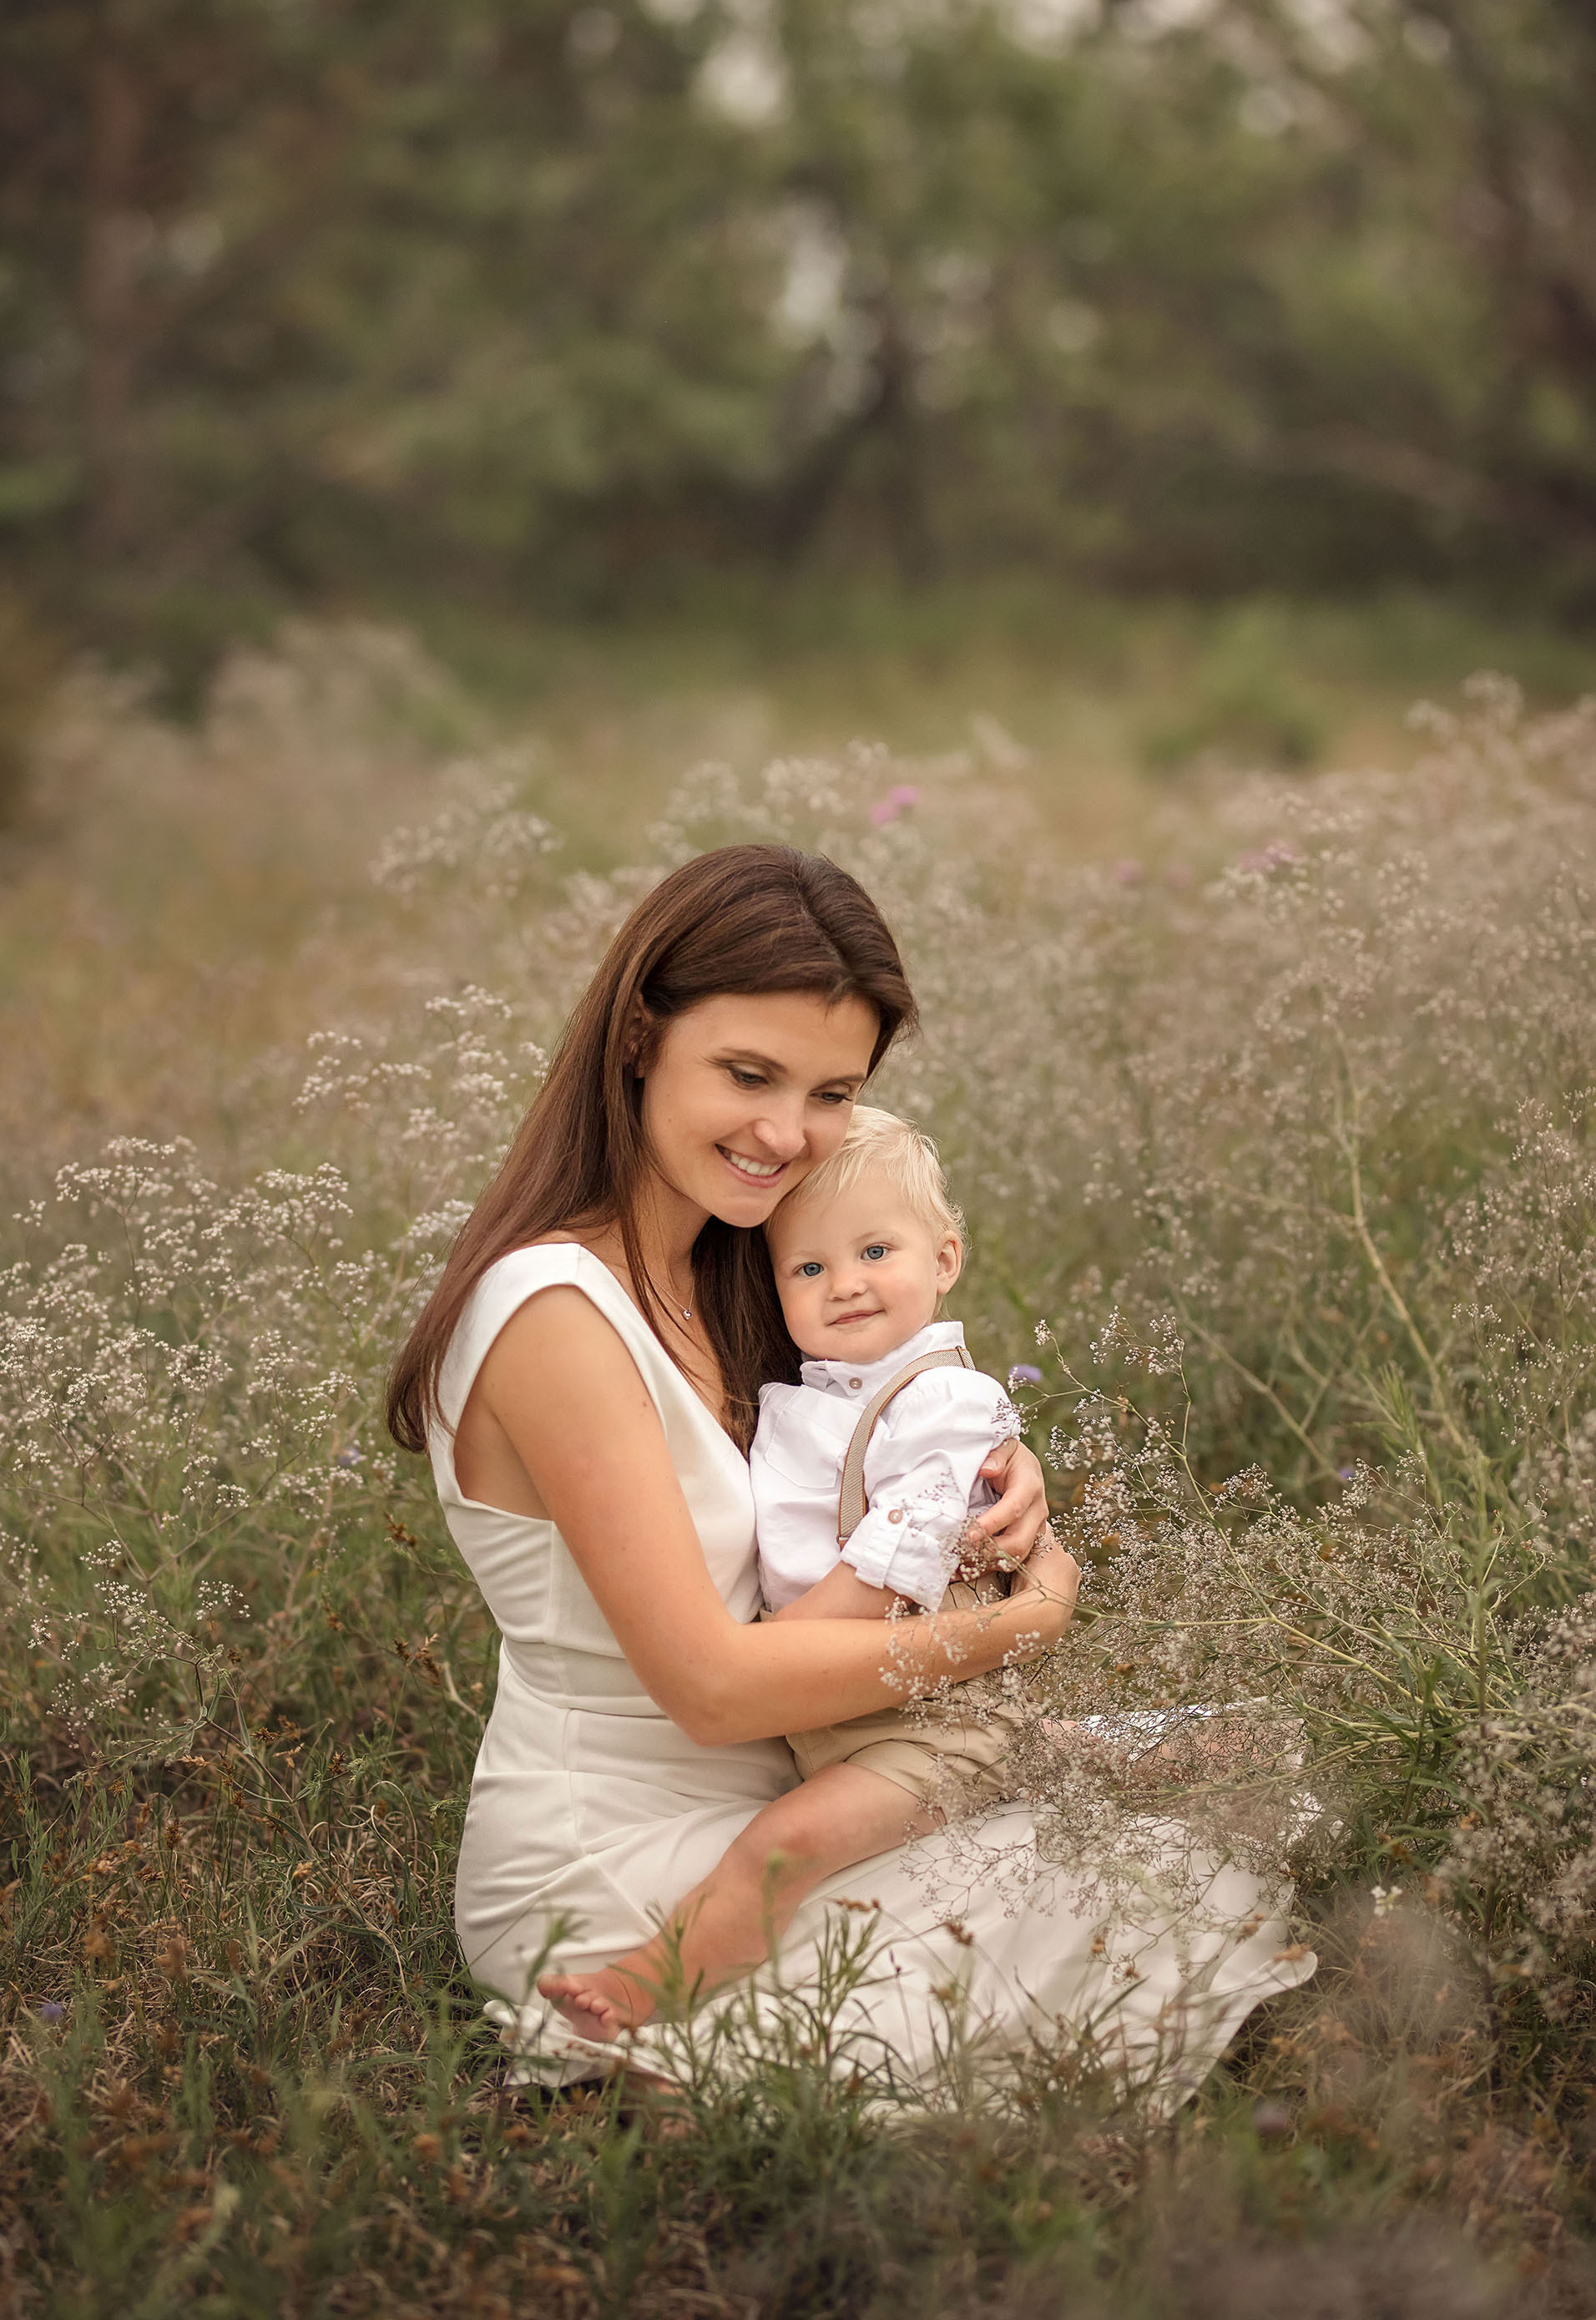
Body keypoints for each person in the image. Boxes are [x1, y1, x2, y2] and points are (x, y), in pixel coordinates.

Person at [388, 842, 1315, 2095]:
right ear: (638, 1037)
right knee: (1136, 1893)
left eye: (831, 1091)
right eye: (747, 1074)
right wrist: (1024, 1621)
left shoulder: (737, 1262)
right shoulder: (555, 1309)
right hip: (621, 1861)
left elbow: (869, 1438)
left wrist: (997, 1468)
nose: (786, 1135)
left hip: (802, 1781)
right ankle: (671, 2052)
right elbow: (709, 1692)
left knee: (1193, 1812)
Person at [537, 1105, 1081, 2042]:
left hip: (924, 1723)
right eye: (809, 1268)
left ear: (945, 1260)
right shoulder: (809, 1394)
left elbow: (896, 1562)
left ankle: (648, 1987)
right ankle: (1186, 1746)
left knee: (781, 1848)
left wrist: (772, 1648)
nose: (846, 1284)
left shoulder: (947, 1397)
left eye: (875, 1251)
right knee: (1051, 1762)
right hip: (853, 1711)